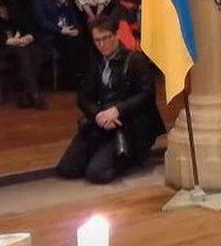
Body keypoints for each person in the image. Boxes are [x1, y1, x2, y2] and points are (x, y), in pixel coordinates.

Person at [56, 15, 165, 184]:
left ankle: (131, 157)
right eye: (97, 40)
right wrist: (98, 115)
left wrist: (117, 111)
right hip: (102, 121)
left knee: (97, 174)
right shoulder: (97, 62)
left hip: (128, 123)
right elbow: (83, 96)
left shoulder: (135, 60)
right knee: (68, 168)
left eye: (105, 38)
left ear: (116, 35)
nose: (101, 44)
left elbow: (147, 95)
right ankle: (101, 152)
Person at [30, 0, 85, 89]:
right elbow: (41, 21)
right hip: (50, 33)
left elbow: (72, 13)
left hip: (67, 29)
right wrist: (61, 30)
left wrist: (76, 28)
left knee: (82, 40)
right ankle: (69, 81)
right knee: (68, 43)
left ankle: (80, 77)